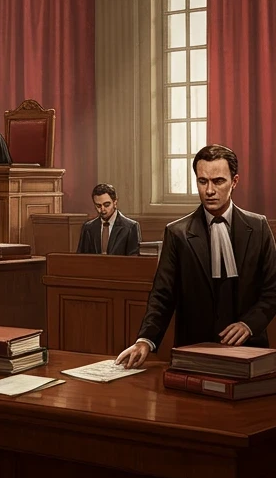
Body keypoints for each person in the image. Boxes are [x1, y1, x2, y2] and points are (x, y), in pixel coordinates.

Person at [117, 144, 276, 368]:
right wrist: (145, 340)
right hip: (194, 351)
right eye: (202, 181)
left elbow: (272, 289)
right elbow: (162, 295)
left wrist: (249, 325)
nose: (209, 190)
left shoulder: (258, 226)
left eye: (218, 181)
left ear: (235, 181)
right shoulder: (177, 233)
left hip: (249, 348)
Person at [76, 183, 141, 256]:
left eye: (106, 205)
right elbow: (81, 258)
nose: (102, 209)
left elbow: (134, 260)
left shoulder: (130, 227)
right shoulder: (88, 228)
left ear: (115, 203)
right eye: (98, 206)